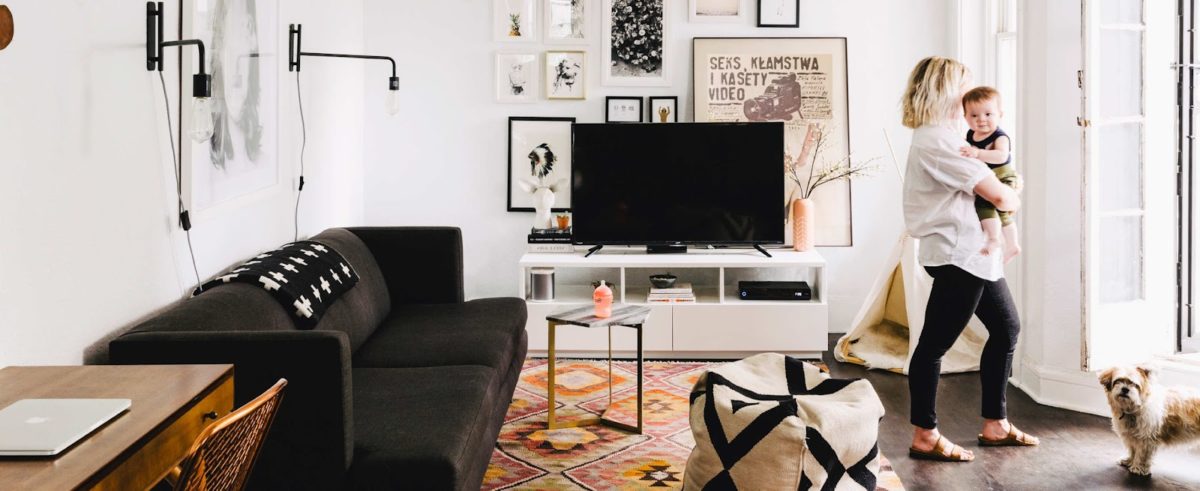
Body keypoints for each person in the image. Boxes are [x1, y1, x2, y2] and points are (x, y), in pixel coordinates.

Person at [899, 56, 1039, 463]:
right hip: (958, 252)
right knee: (933, 347)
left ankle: (994, 425)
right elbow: (1000, 195)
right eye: (965, 86)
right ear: (947, 90)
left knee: (1006, 327)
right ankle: (924, 435)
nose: (969, 95)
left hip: (974, 251)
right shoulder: (938, 141)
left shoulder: (946, 135)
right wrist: (1011, 192)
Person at [959, 86, 1022, 263]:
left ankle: (995, 239)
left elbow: (1001, 155)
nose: (981, 120)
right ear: (965, 117)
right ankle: (1011, 245)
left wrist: (977, 153)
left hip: (1005, 178)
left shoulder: (1000, 137)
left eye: (988, 114)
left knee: (990, 203)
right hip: (990, 178)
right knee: (994, 210)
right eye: (974, 115)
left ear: (1000, 114)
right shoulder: (971, 134)